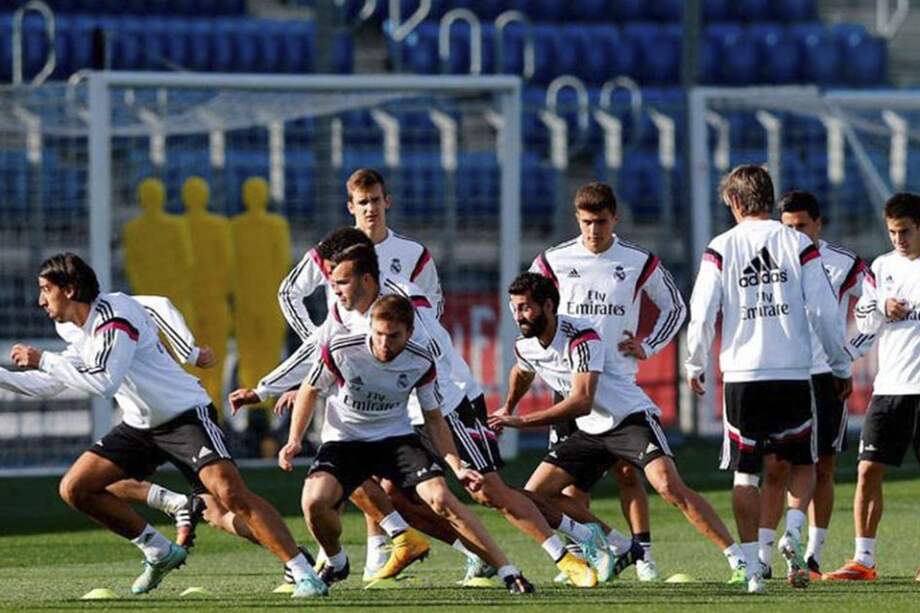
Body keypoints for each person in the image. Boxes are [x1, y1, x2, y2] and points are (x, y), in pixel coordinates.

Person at [255, 244, 607, 586]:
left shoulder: (403, 301)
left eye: (341, 282)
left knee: (487, 491)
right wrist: (268, 389)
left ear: (365, 279)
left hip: (445, 402)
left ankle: (569, 551)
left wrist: (417, 391)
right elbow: (319, 352)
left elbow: (432, 355)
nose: (334, 290)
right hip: (397, 417)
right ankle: (469, 553)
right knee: (389, 494)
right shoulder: (344, 311)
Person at [9, 253, 321, 598]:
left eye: (45, 289)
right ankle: (157, 549)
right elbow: (52, 382)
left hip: (184, 415)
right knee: (77, 487)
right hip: (140, 426)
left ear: (69, 290)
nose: (39, 300)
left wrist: (188, 352)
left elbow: (104, 382)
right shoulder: (71, 327)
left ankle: (302, 569)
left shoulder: (115, 315)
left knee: (226, 500)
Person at [490, 272, 750, 590]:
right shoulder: (525, 345)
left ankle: (739, 559)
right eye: (515, 308)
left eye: (526, 308)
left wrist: (522, 421)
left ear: (548, 305)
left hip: (629, 419)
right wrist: (508, 406)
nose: (519, 316)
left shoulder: (581, 336)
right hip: (589, 432)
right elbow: (523, 369)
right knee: (534, 496)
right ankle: (619, 545)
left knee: (668, 487)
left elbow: (582, 402)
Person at [278, 295, 534, 596]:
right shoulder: (342, 350)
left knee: (441, 498)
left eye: (394, 336)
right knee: (314, 502)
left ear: (409, 333)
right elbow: (308, 390)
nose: (384, 344)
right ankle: (336, 560)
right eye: (379, 334)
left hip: (395, 439)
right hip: (345, 440)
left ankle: (507, 570)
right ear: (370, 328)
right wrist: (294, 439)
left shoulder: (420, 360)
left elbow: (435, 419)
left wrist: (457, 465)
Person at [685, 165, 852, 591]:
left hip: (742, 374)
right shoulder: (797, 243)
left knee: (746, 474)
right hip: (793, 371)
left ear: (737, 202)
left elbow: (702, 311)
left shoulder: (721, 247)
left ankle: (753, 570)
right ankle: (793, 533)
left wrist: (694, 361)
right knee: (802, 462)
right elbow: (823, 310)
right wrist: (840, 363)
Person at [277, 168, 444, 578]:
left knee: (397, 479)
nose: (370, 209)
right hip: (344, 370)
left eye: (375, 200)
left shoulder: (414, 254)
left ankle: (424, 544)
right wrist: (315, 347)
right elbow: (288, 293)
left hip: (395, 368)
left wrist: (406, 353)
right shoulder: (332, 251)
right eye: (362, 202)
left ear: (387, 201)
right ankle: (374, 554)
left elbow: (432, 309)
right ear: (350, 207)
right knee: (346, 461)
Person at [529, 181, 684, 581]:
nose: (593, 231)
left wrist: (648, 345)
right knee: (569, 486)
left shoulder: (637, 260)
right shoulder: (553, 260)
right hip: (571, 389)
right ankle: (592, 554)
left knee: (629, 474)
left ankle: (644, 555)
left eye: (600, 222)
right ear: (576, 220)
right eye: (585, 223)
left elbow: (675, 307)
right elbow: (530, 309)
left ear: (614, 218)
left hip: (617, 385)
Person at [756, 191, 873, 580]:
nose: (794, 234)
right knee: (776, 467)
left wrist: (850, 350)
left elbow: (875, 303)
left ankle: (812, 556)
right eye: (787, 227)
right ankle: (765, 554)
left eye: (802, 226)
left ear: (818, 224)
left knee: (823, 465)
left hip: (825, 378)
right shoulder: (769, 260)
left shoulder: (843, 264)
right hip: (782, 373)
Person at [824, 193, 920, 581]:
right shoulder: (881, 267)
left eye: (906, 231)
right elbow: (863, 318)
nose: (899, 239)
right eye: (893, 232)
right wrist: (882, 307)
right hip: (892, 385)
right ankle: (863, 560)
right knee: (867, 471)